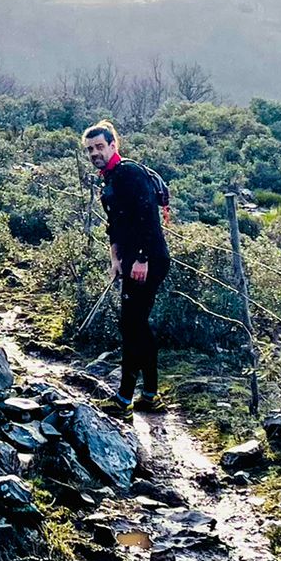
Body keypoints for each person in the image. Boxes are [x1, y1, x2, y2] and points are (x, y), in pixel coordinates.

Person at [81, 120, 171, 410]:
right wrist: (116, 258)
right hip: (132, 260)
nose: (95, 153)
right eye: (90, 149)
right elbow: (115, 225)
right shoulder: (110, 178)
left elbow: (148, 216)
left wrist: (141, 258)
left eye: (99, 147)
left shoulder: (128, 174)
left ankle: (125, 399)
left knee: (132, 325)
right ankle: (147, 395)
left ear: (113, 145)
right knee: (135, 325)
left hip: (149, 259)